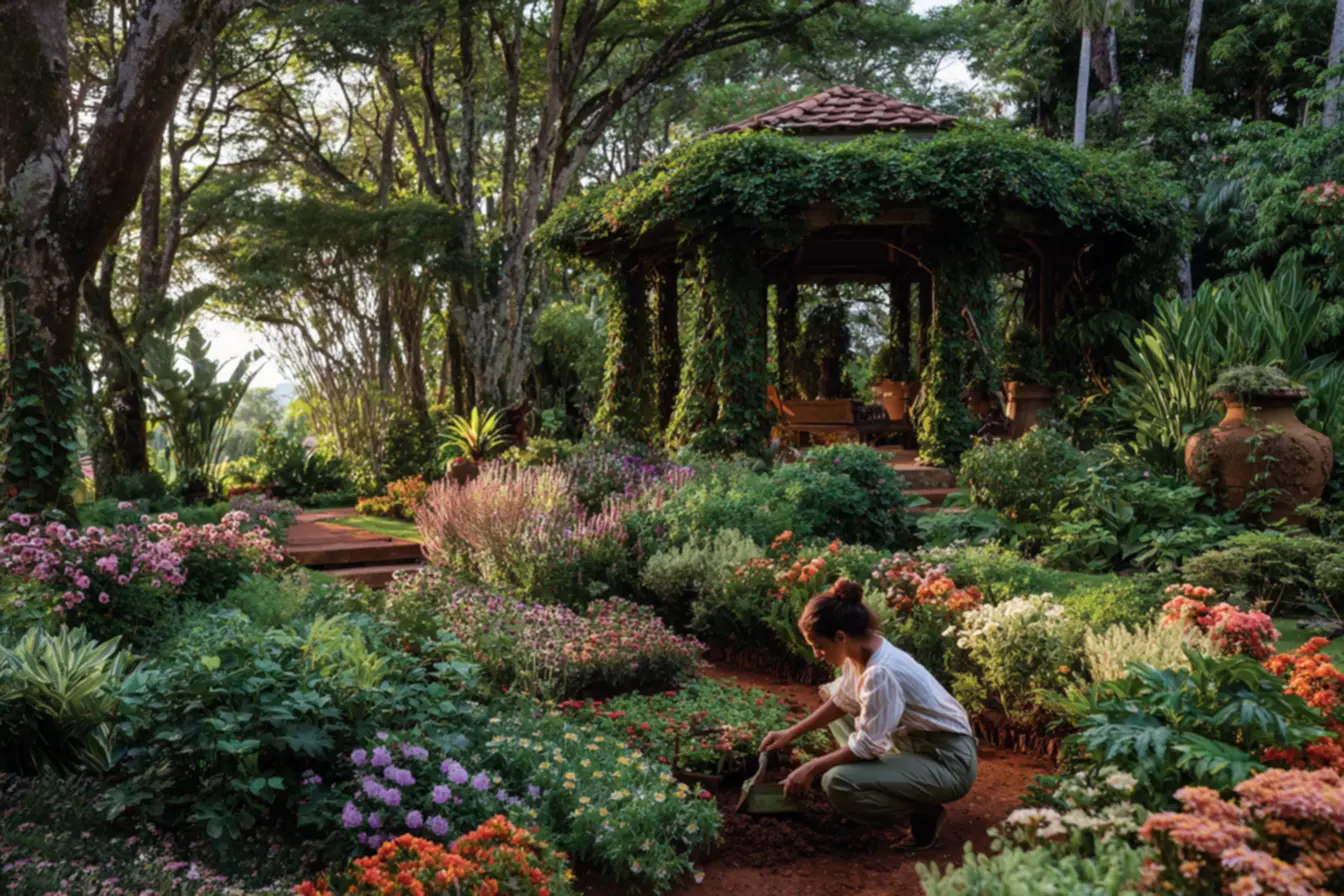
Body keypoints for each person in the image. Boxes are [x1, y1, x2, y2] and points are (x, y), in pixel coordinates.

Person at [759, 579, 978, 849]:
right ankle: (880, 782)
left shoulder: (881, 672)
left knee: (837, 782)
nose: (817, 654)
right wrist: (791, 733)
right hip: (917, 743)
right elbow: (842, 702)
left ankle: (924, 815)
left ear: (840, 637)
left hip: (948, 762)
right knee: (838, 704)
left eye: (819, 646)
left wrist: (811, 768)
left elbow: (868, 745)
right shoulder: (863, 651)